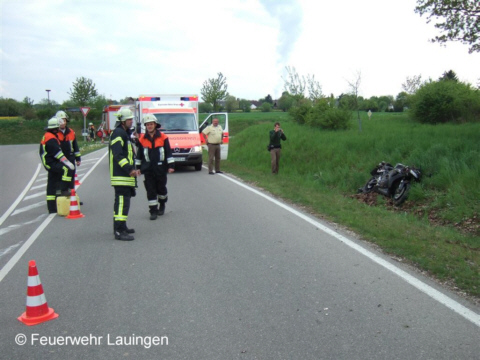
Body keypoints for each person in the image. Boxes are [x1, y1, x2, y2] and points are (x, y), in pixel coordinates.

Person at [136, 114, 175, 220]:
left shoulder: (163, 137)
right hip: (148, 169)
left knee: (161, 189)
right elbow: (139, 155)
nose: (149, 126)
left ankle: (162, 204)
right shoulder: (142, 139)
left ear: (155, 125)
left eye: (151, 124)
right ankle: (153, 211)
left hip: (161, 168)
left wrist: (171, 166)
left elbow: (168, 152)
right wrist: (138, 167)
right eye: (147, 124)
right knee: (150, 190)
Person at [109, 108, 140, 241]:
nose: (131, 121)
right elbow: (118, 154)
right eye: (129, 119)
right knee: (122, 202)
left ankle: (122, 226)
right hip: (121, 175)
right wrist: (129, 169)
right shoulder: (118, 133)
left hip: (124, 176)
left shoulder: (124, 133)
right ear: (122, 121)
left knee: (123, 202)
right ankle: (119, 231)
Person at [39, 117, 75, 213]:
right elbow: (58, 154)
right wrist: (68, 163)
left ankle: (52, 208)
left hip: (50, 162)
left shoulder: (49, 135)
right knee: (67, 169)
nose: (59, 129)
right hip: (51, 163)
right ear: (54, 128)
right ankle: (64, 189)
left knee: (51, 185)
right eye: (57, 128)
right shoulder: (51, 138)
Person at [56, 110, 81, 191]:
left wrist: (78, 159)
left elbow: (75, 146)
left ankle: (72, 196)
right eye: (61, 120)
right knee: (60, 178)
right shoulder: (54, 132)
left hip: (70, 158)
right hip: (59, 159)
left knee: (71, 178)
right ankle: (61, 196)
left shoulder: (71, 132)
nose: (63, 122)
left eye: (64, 120)